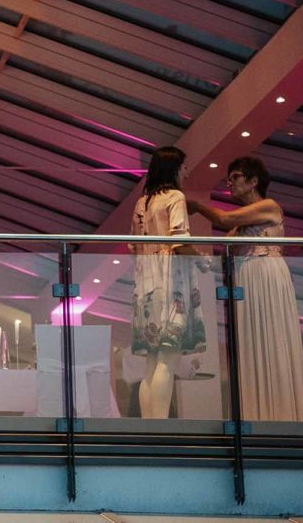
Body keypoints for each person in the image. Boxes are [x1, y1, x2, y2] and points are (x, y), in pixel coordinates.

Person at [187, 156, 303, 422]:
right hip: (245, 279)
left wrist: (196, 205)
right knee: (251, 342)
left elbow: (222, 218)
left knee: (273, 339)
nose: (229, 183)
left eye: (236, 177)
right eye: (229, 178)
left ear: (254, 181)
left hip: (265, 273)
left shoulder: (268, 206)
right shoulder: (239, 228)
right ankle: (258, 415)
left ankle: (282, 416)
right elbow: (222, 257)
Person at [129, 146, 208, 419]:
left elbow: (132, 245)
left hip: (145, 284)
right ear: (174, 168)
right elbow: (180, 240)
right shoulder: (175, 197)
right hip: (170, 280)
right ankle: (160, 425)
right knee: (168, 356)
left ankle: (149, 425)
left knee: (152, 360)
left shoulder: (143, 202)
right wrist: (202, 261)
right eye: (184, 166)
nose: (186, 171)